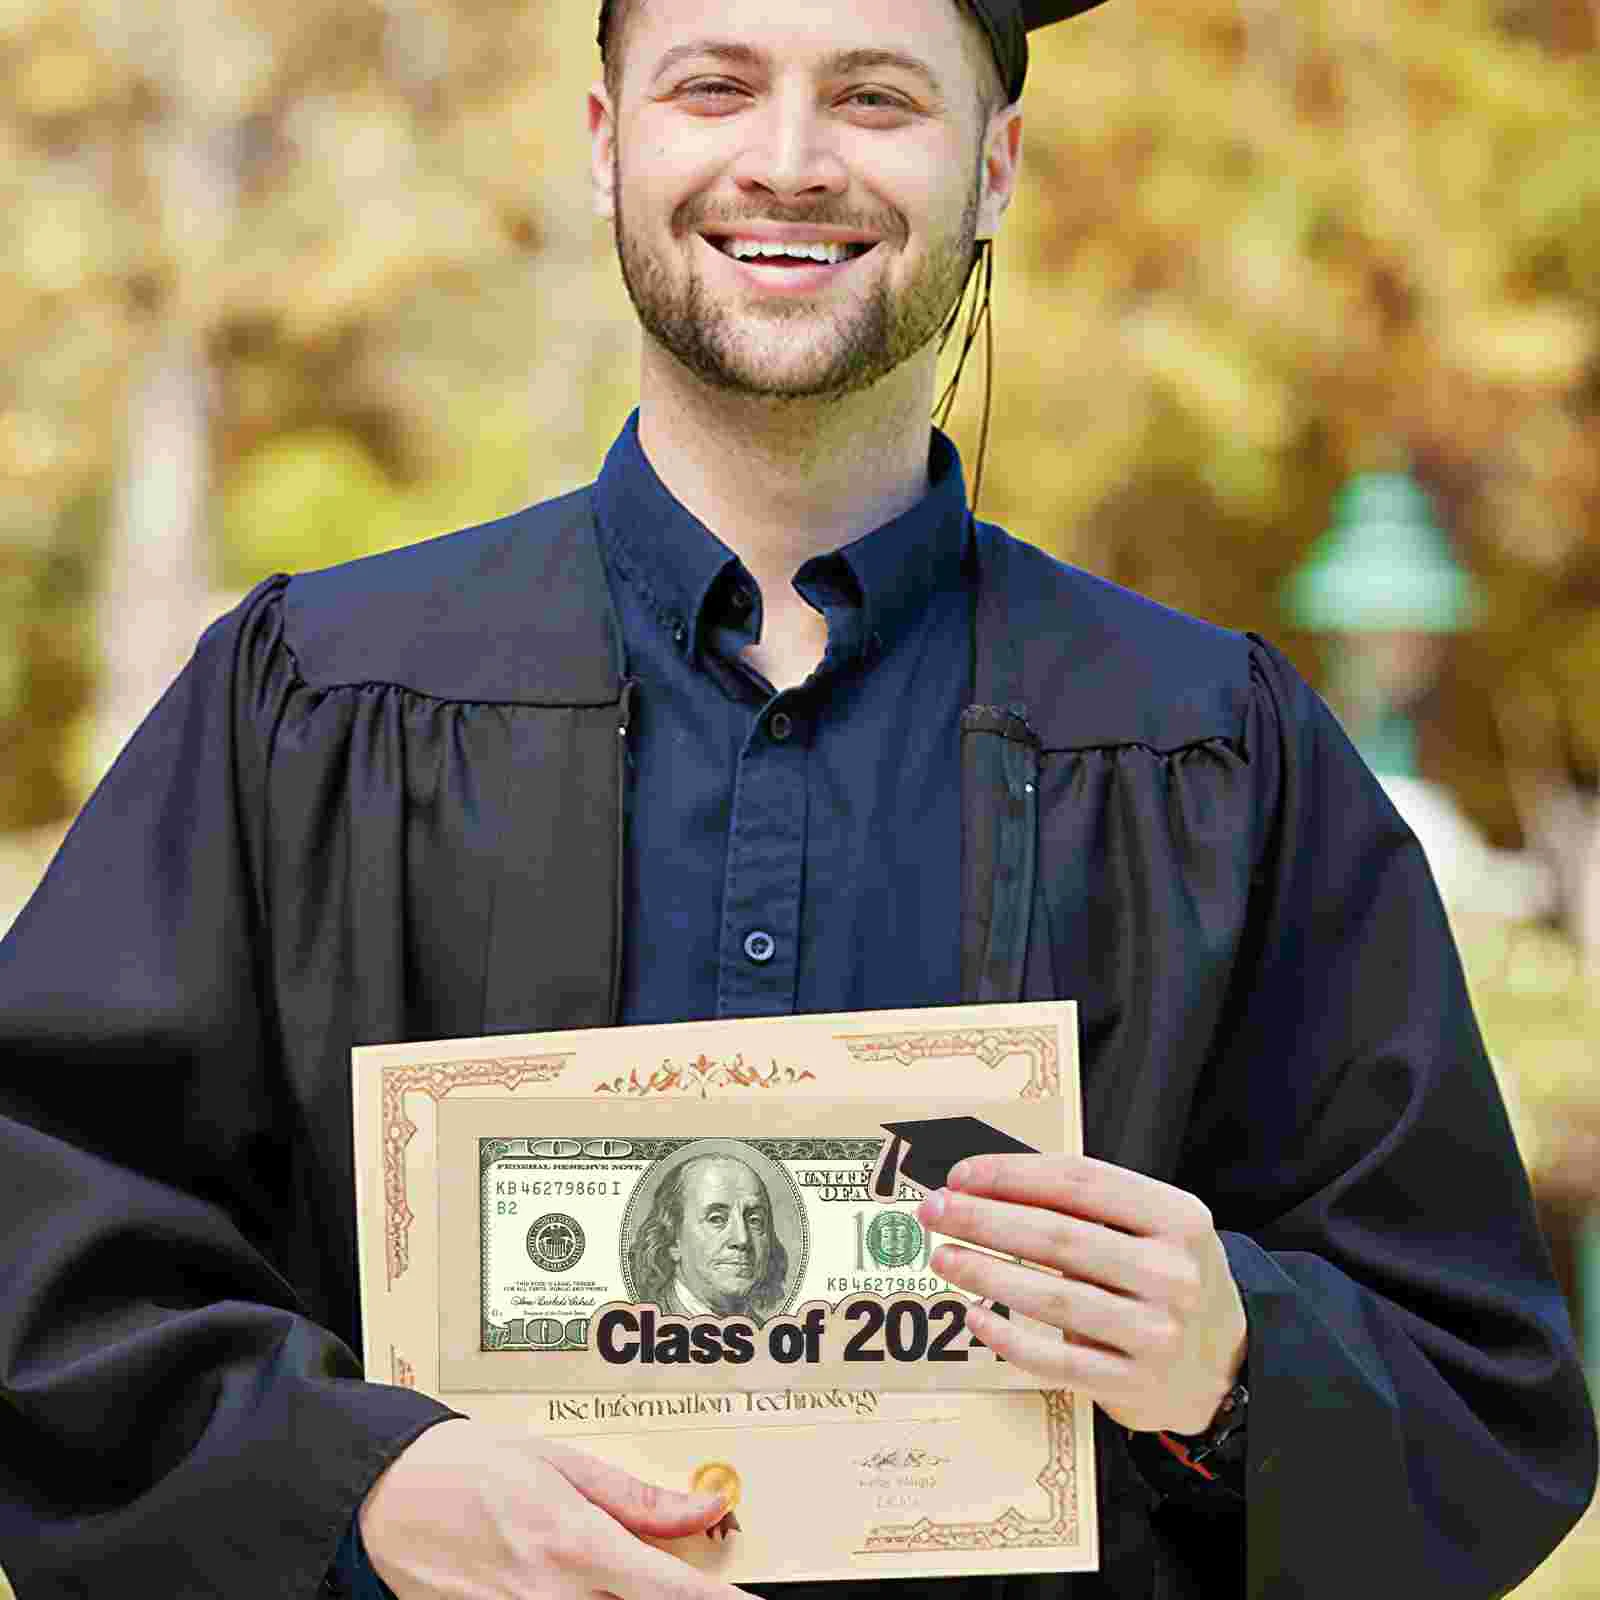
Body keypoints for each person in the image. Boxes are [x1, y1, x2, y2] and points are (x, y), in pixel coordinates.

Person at [0, 0, 1594, 1596]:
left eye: (877, 97)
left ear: (997, 167)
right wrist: (363, 1489)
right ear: (610, 142)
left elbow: (1481, 1398)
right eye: (717, 86)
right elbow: (44, 1263)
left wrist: (1239, 1369)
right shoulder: (315, 706)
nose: (788, 161)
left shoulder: (1213, 759)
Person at [629, 1150, 791, 1320]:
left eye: (754, 1220)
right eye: (716, 1219)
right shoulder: (643, 1321)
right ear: (672, 1240)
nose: (742, 1239)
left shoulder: (766, 1330)